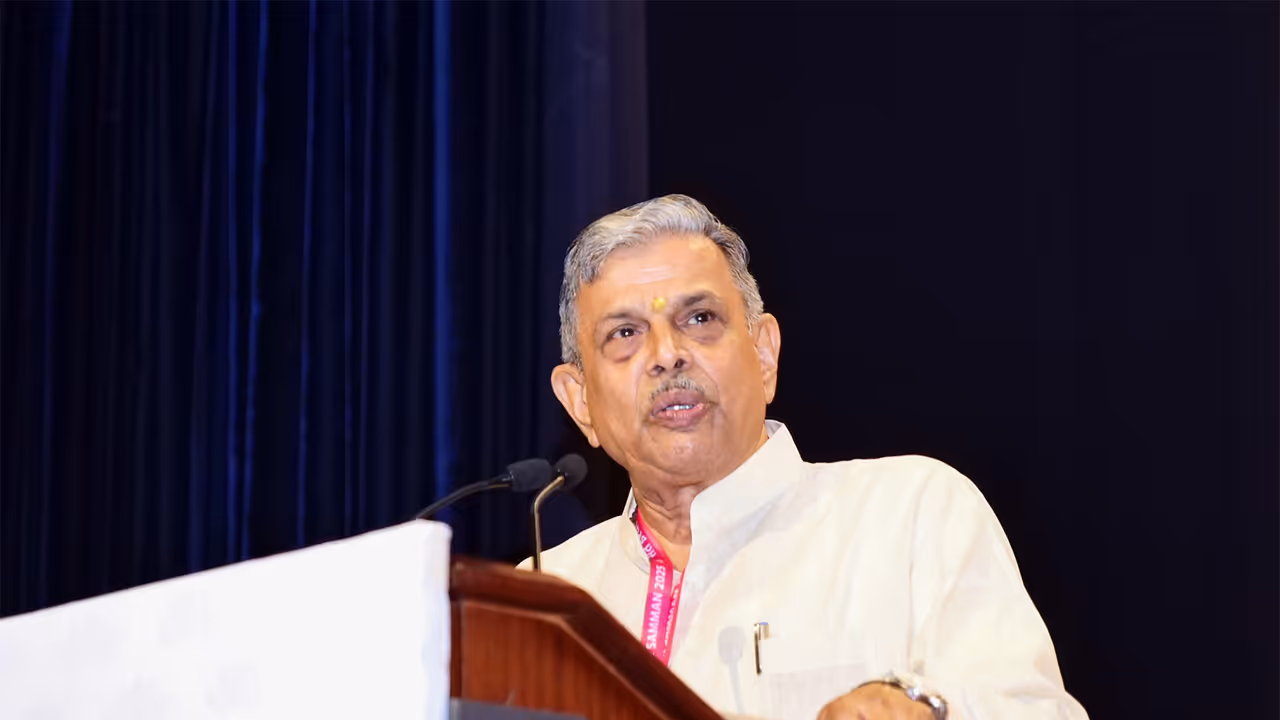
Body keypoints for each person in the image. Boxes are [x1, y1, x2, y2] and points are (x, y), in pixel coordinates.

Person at [525, 195, 1088, 720]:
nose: (667, 354)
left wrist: (929, 710)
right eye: (625, 333)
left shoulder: (910, 515)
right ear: (580, 402)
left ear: (764, 355)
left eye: (700, 319)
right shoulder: (543, 596)